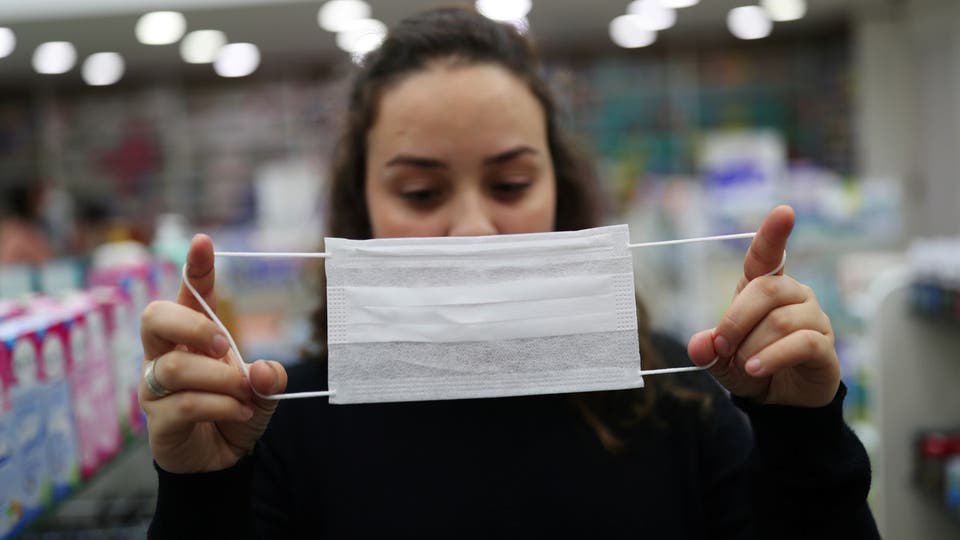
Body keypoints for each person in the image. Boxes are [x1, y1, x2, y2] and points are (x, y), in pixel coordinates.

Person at [140, 7, 879, 538]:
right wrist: (202, 494)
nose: (472, 228)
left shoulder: (683, 406)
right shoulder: (277, 426)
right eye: (420, 192)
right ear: (361, 208)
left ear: (559, 187)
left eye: (511, 184)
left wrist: (802, 435)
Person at [0, 177, 53, 265]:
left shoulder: (13, 227)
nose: (42, 202)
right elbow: (47, 261)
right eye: (36, 198)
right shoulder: (19, 232)